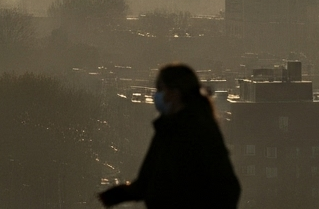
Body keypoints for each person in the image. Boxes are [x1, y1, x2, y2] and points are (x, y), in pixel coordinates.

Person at [99, 63, 240, 209]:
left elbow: (226, 187)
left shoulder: (196, 131)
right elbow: (149, 180)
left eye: (160, 89)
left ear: (175, 93)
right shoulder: (168, 128)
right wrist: (119, 195)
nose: (156, 96)